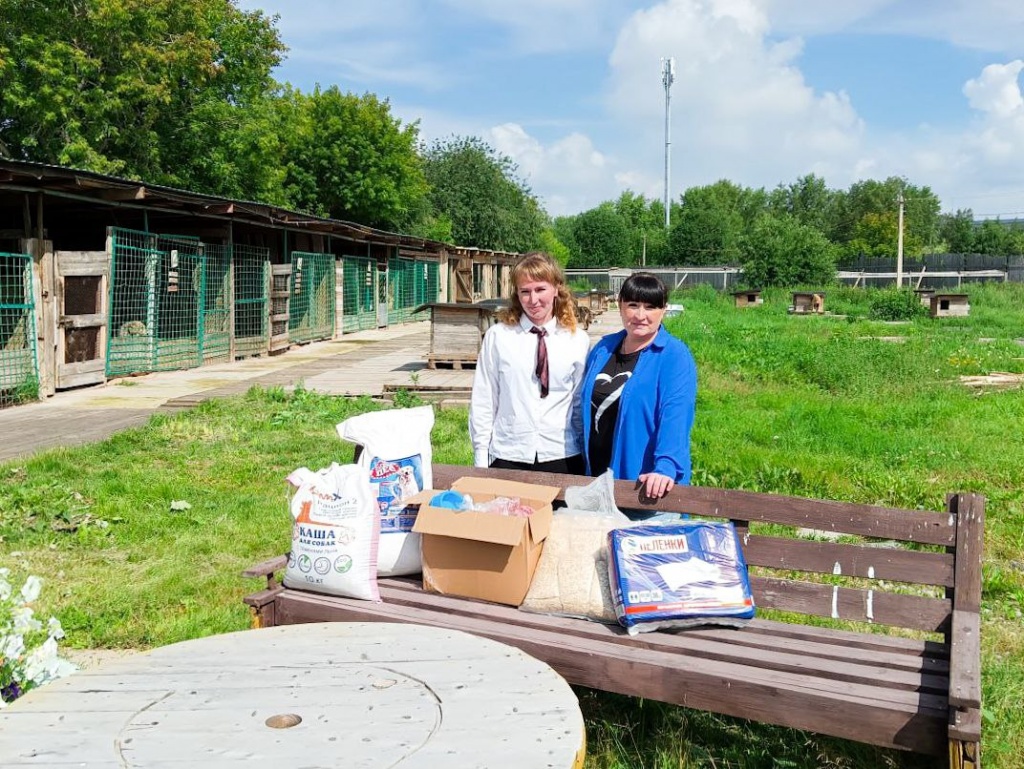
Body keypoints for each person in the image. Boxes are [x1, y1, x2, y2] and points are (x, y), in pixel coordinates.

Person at [580, 272, 697, 500]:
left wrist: (666, 467)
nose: (640, 315)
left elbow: (676, 415)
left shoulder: (673, 356)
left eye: (650, 307)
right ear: (620, 306)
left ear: (663, 310)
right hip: (595, 482)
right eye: (633, 305)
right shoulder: (603, 349)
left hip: (643, 487)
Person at [469, 252, 590, 473]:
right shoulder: (499, 337)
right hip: (509, 453)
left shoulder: (576, 340)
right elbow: (484, 399)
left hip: (562, 453)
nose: (533, 300)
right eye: (525, 292)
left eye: (540, 289)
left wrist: (584, 453)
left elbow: (578, 403)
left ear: (556, 289)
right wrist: (480, 457)